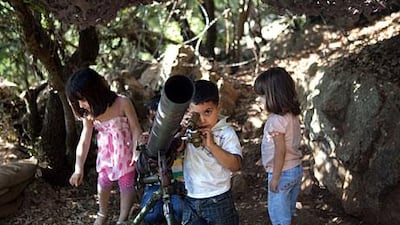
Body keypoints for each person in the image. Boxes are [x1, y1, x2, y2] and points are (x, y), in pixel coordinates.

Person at [66, 68, 142, 225]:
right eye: (78, 101)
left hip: (125, 154)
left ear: (96, 92)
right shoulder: (90, 114)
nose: (81, 104)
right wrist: (78, 167)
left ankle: (123, 217)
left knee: (126, 185)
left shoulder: (122, 103)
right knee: (103, 182)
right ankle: (102, 212)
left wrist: (137, 150)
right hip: (106, 156)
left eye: (83, 99)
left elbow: (135, 128)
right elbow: (85, 140)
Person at [180, 79, 242, 225]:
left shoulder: (225, 132)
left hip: (218, 198)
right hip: (191, 196)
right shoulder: (188, 131)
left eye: (208, 112)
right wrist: (180, 129)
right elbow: (174, 149)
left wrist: (212, 146)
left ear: (218, 108)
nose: (202, 120)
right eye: (196, 115)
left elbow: (236, 165)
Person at [253, 67, 303, 225]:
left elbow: (280, 151)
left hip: (282, 173)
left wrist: (275, 178)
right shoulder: (292, 116)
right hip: (296, 169)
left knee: (278, 215)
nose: (258, 100)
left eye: (261, 96)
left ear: (273, 95)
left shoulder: (275, 121)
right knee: (287, 209)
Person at [136, 94, 184, 225]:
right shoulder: (147, 139)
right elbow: (140, 168)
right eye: (153, 119)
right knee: (151, 215)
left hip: (177, 185)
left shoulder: (180, 135)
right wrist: (143, 149)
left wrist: (178, 142)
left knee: (180, 210)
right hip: (155, 186)